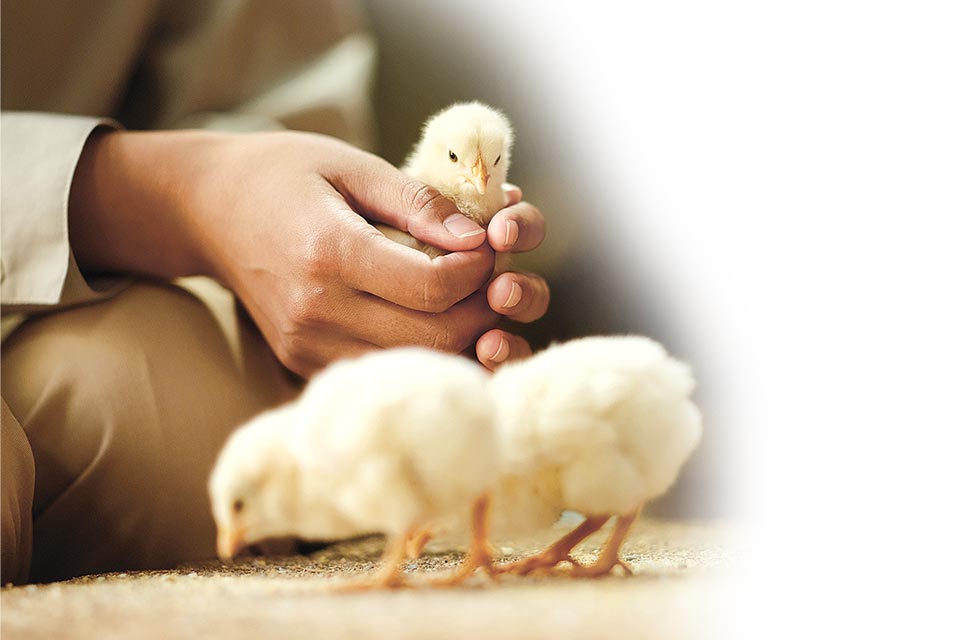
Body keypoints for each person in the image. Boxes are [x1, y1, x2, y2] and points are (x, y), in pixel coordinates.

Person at [0, 0, 549, 584]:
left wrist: (355, 283)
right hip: (114, 229)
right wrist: (167, 192)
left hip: (112, 285)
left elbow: (276, 96)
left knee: (152, 410)